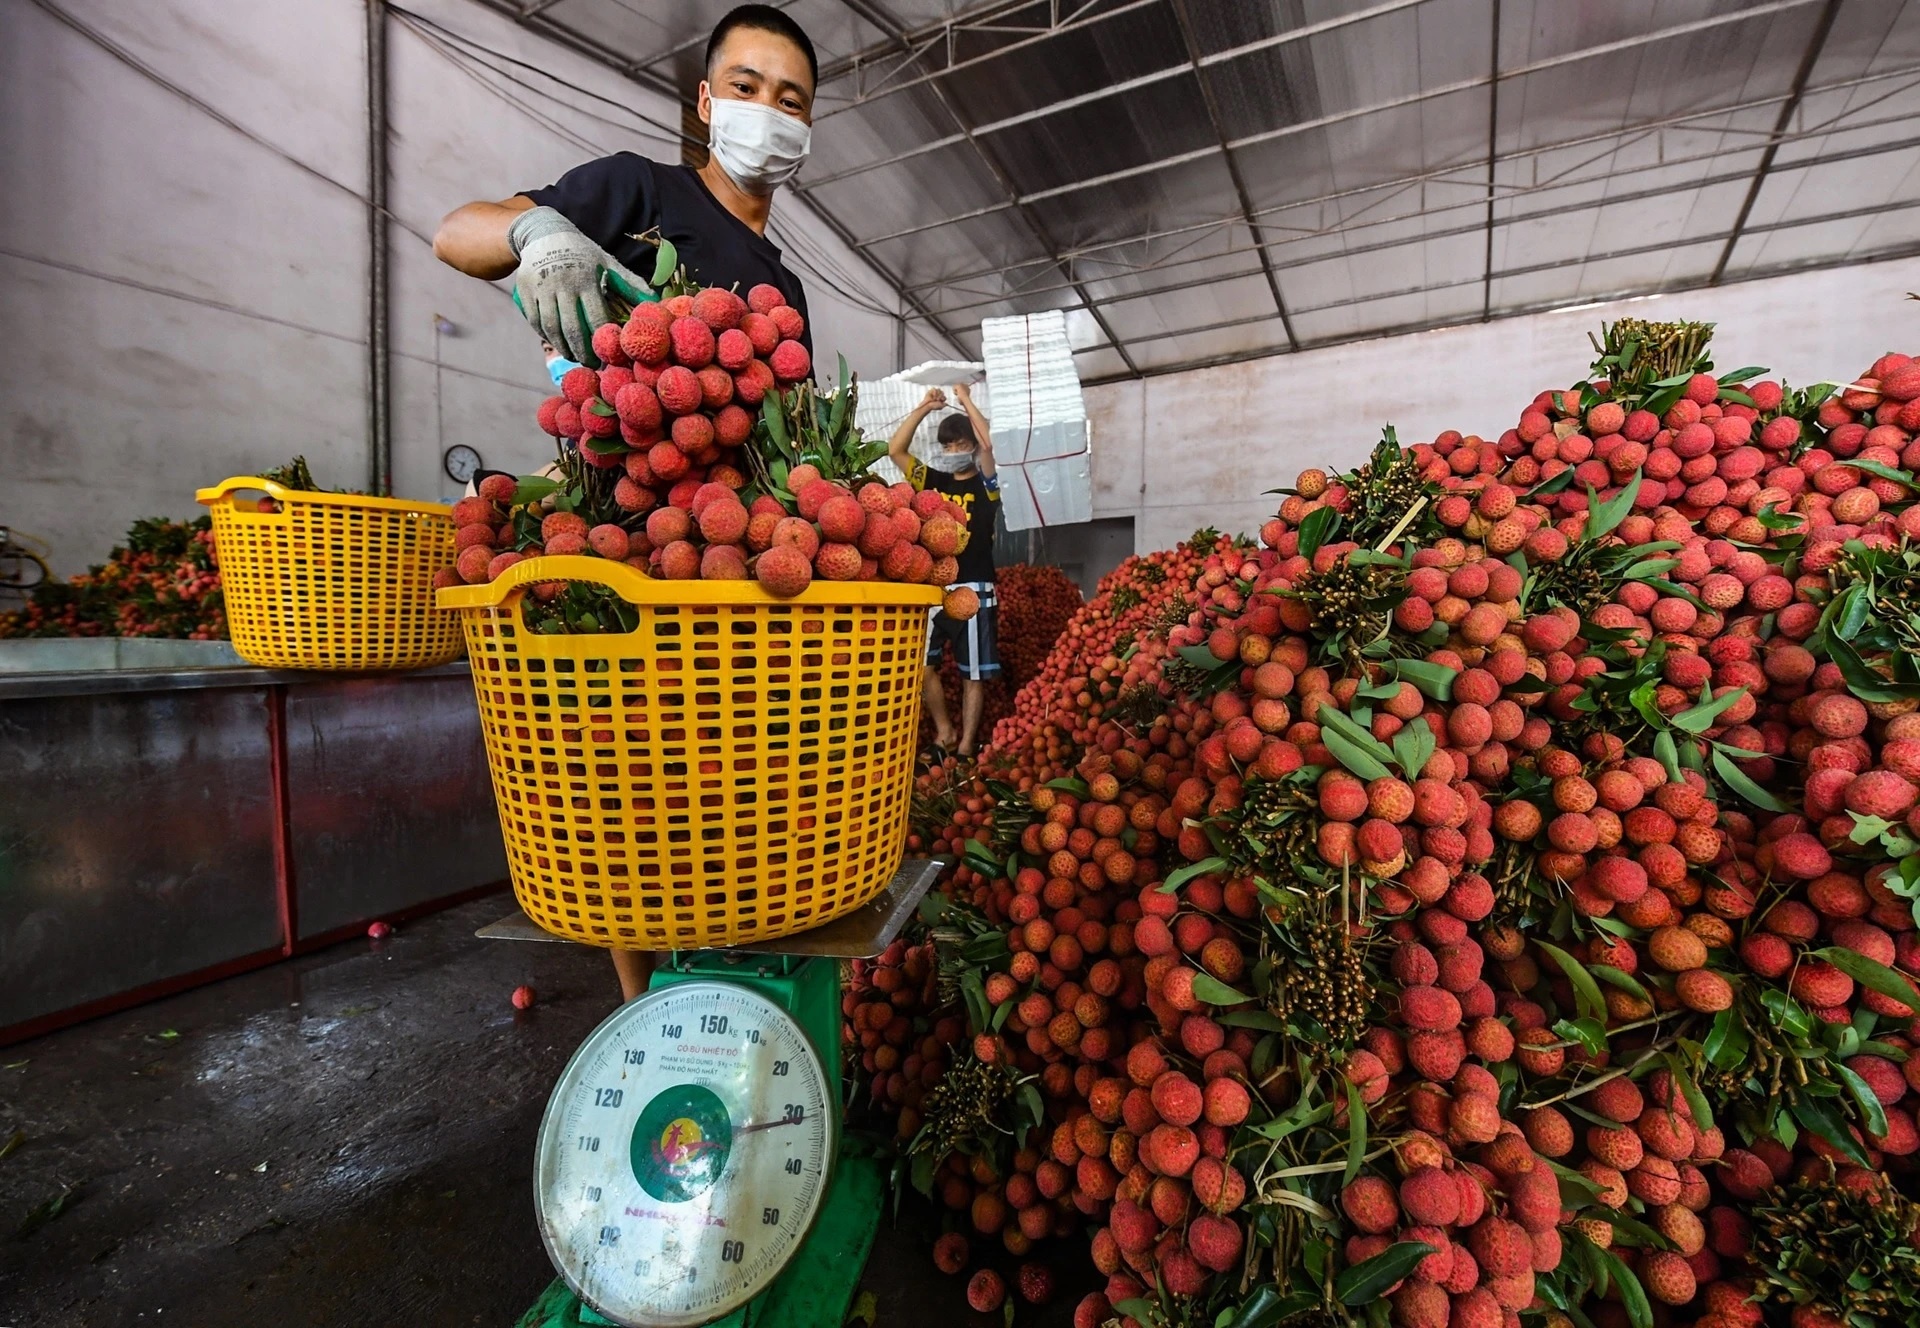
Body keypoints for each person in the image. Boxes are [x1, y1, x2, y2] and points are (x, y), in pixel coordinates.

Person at [432, 4, 819, 1002]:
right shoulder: (637, 189)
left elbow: (795, 437)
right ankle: (646, 1014)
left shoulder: (785, 284)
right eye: (745, 87)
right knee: (628, 794)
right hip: (623, 538)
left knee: (736, 797)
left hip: (733, 577)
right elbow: (455, 233)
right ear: (704, 99)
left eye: (790, 100)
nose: (765, 114)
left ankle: (737, 990)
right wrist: (538, 231)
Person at [888, 383, 999, 759]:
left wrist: (966, 399)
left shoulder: (988, 487)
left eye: (959, 444)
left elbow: (988, 445)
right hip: (934, 586)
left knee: (973, 674)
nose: (953, 452)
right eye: (947, 446)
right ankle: (945, 733)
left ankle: (966, 746)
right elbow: (895, 451)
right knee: (923, 667)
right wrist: (923, 407)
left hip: (976, 586)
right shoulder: (933, 483)